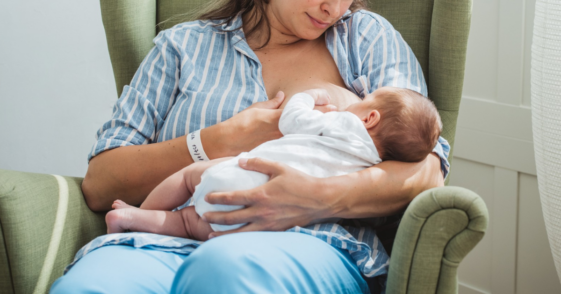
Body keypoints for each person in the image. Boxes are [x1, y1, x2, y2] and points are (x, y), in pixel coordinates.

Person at [51, 0, 450, 293]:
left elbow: (427, 170)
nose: (333, 8)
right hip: (162, 241)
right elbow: (100, 183)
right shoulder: (180, 47)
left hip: (310, 243)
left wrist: (317, 197)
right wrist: (215, 141)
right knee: (85, 288)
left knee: (222, 270)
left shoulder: (364, 37)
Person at [104, 86, 442, 241]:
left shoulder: (342, 122)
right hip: (262, 230)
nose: (334, 7)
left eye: (364, 97)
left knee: (190, 178)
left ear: (370, 117)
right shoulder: (370, 162)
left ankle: (138, 215)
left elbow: (432, 169)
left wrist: (308, 97)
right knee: (193, 226)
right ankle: (152, 225)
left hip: (241, 172)